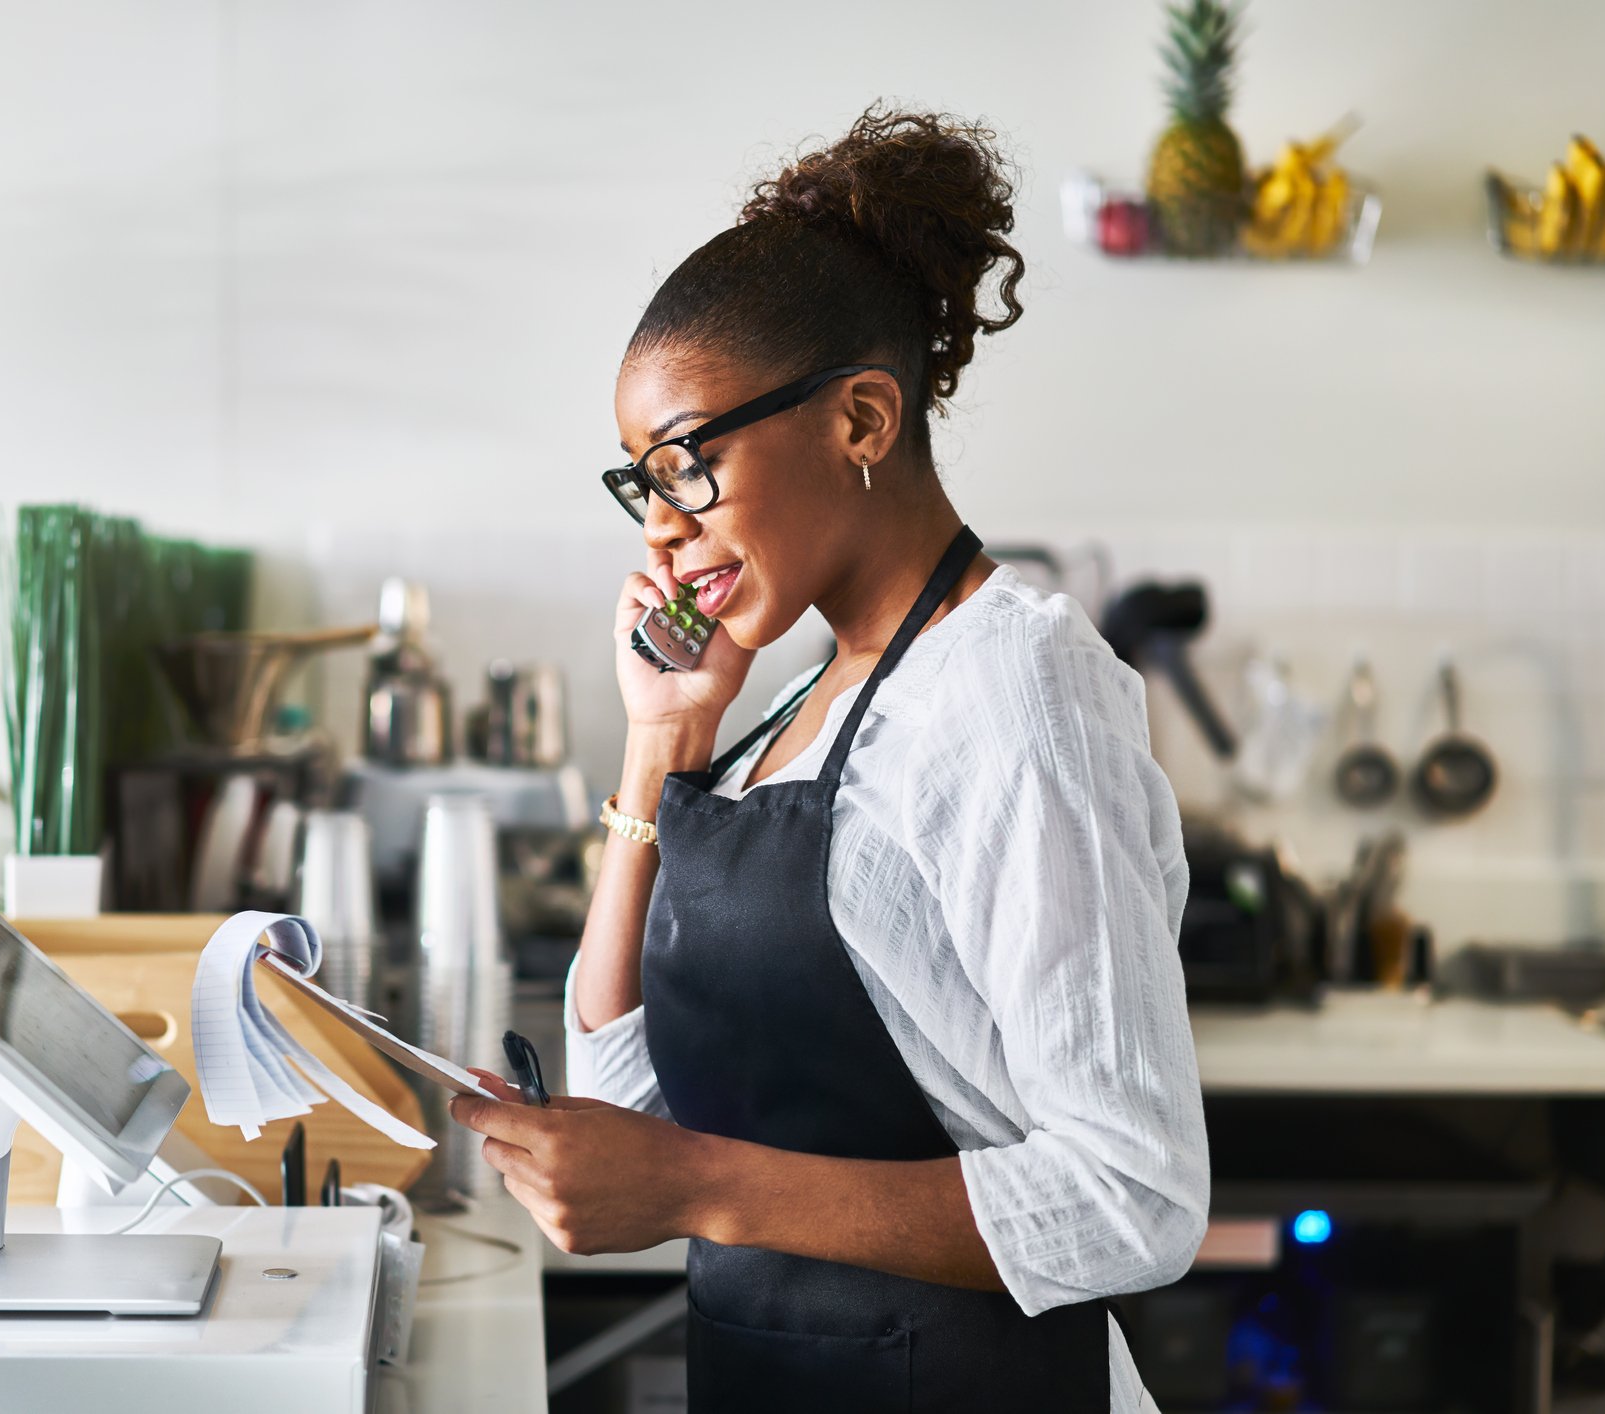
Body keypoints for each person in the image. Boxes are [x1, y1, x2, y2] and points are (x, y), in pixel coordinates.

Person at [451, 105, 1208, 1413]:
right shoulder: (788, 700)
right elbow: (625, 1084)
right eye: (644, 486)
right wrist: (659, 740)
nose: (668, 532)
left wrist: (695, 1187)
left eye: (689, 464)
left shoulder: (1015, 684)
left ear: (860, 418)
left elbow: (1134, 1192)